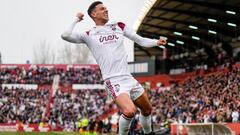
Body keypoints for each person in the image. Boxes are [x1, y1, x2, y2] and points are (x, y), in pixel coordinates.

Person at [61, 1, 167, 135]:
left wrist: (156, 42)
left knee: (147, 110)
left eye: (106, 8)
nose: (106, 10)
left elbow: (140, 40)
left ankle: (148, 133)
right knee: (129, 111)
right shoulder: (88, 35)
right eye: (102, 9)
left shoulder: (119, 26)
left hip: (128, 78)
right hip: (113, 80)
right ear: (94, 14)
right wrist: (76, 19)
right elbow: (65, 35)